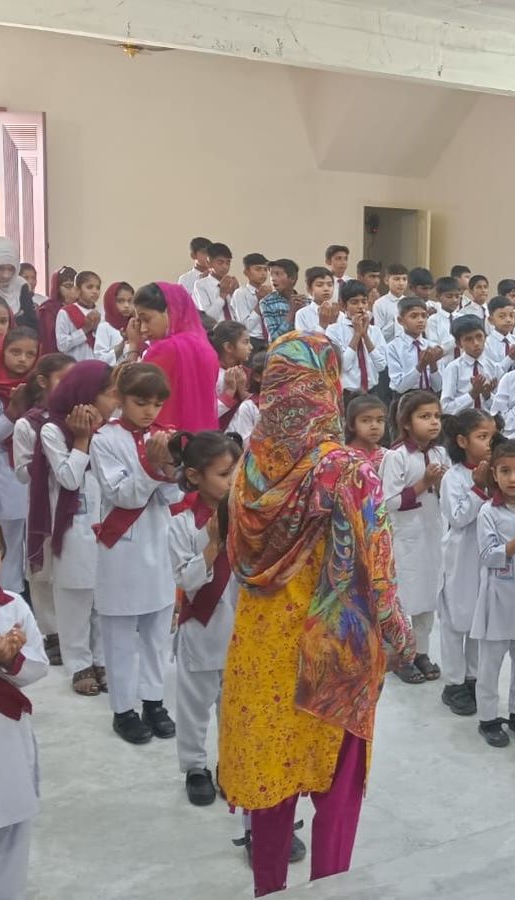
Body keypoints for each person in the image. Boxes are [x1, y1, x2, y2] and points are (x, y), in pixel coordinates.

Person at [220, 332, 412, 895]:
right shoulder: (347, 470)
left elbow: (238, 558)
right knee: (337, 786)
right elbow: (377, 569)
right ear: (329, 386)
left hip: (263, 648)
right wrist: (399, 636)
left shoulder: (249, 469)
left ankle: (269, 888)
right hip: (334, 650)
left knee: (272, 783)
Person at [89, 363, 183, 744]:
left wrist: (170, 466)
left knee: (157, 631)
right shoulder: (104, 439)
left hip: (158, 541)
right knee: (120, 634)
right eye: (141, 402)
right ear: (120, 397)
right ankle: (123, 709)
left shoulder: (163, 435)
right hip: (122, 549)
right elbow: (121, 495)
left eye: (156, 404)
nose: (149, 411)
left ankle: (153, 701)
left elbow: (173, 495)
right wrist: (153, 466)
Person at [32, 360, 117, 696]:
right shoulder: (52, 430)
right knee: (75, 597)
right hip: (72, 525)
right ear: (86, 396)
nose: (115, 402)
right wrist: (82, 439)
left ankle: (100, 659)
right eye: (110, 395)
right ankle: (78, 662)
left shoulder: (111, 430)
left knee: (102, 596)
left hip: (106, 523)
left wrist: (98, 433)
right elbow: (68, 478)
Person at [167, 430, 242, 806]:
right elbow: (185, 579)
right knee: (194, 706)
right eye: (224, 474)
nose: (232, 482)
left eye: (236, 473)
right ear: (195, 476)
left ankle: (230, 763)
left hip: (241, 629)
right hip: (201, 629)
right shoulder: (182, 523)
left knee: (234, 706)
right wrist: (213, 545)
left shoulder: (248, 517)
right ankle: (195, 766)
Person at [0, 517, 49, 900]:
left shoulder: (13, 606)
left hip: (7, 742)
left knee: (12, 835)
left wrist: (9, 660)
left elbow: (38, 665)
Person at [379, 391, 448, 685]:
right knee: (404, 599)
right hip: (406, 539)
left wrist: (442, 484)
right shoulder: (396, 457)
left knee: (428, 597)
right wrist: (424, 483)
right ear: (406, 423)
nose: (433, 422)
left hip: (433, 535)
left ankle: (421, 652)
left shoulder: (440, 453)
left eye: (437, 416)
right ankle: (401, 655)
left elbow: (445, 496)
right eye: (425, 417)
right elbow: (389, 501)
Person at [472, 439, 515, 747]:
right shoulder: (488, 512)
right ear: (494, 475)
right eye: (505, 471)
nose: (513, 478)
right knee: (490, 664)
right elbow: (489, 555)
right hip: (496, 601)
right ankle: (487, 718)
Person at [15, 351, 76, 668]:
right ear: (43, 381)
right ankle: (51, 633)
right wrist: (47, 461)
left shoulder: (77, 419)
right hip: (42, 505)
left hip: (73, 504)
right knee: (42, 572)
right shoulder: (28, 424)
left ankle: (74, 630)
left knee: (71, 565)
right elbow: (21, 472)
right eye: (63, 380)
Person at [438, 408, 497, 716]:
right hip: (461, 554)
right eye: (482, 437)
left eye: (492, 437)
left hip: (487, 555)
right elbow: (458, 517)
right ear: (463, 441)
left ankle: (473, 677)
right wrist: (477, 486)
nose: (489, 443)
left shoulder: (498, 472)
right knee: (455, 619)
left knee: (479, 619)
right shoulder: (453, 477)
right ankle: (453, 682)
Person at [126, 283, 221, 432]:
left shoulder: (163, 350)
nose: (142, 329)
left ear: (169, 312)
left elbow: (130, 390)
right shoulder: (208, 349)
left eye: (146, 319)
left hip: (164, 438)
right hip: (202, 439)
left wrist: (133, 346)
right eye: (139, 322)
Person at [0, 328, 39, 596]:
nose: (23, 359)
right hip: (2, 467)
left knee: (24, 532)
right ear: (3, 351)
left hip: (28, 468)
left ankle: (19, 590)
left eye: (30, 354)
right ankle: (7, 592)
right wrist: (12, 412)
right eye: (15, 352)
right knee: (7, 533)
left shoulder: (38, 386)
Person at [326, 281, 386, 400]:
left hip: (372, 392)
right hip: (348, 394)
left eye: (364, 301)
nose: (360, 306)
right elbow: (342, 367)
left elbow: (381, 366)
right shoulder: (333, 331)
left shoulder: (375, 331)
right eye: (354, 302)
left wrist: (365, 336)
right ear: (343, 305)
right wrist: (357, 335)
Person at [385, 297, 444, 396]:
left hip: (430, 395)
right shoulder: (393, 347)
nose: (420, 320)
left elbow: (438, 387)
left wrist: (433, 364)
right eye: (414, 316)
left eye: (424, 316)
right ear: (400, 320)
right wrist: (420, 366)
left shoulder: (432, 347)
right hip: (405, 397)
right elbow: (399, 387)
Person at [441, 315, 499, 415]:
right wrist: (472, 394)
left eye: (479, 336)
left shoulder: (494, 367)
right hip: (462, 421)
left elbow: (500, 408)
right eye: (468, 339)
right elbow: (445, 408)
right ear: (459, 344)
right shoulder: (453, 368)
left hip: (489, 421)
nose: (476, 343)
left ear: (485, 337)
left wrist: (487, 396)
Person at [212, 321, 252, 431]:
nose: (251, 347)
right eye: (245, 342)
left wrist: (242, 391)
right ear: (228, 347)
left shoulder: (246, 372)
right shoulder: (214, 375)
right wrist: (229, 392)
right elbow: (209, 414)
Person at [55, 270, 102, 362]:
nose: (95, 291)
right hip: (75, 363)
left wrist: (96, 329)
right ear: (77, 290)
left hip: (97, 363)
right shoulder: (65, 312)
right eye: (89, 287)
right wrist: (85, 329)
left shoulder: (101, 312)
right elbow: (62, 345)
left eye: (98, 288)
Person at [228, 252, 271, 352]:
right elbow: (244, 326)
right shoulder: (241, 293)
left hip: (270, 340)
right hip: (252, 341)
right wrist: (260, 303)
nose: (263, 273)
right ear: (246, 272)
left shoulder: (270, 293)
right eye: (258, 269)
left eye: (265, 269)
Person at [0, 238, 37, 330]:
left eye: (11, 269)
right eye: (1, 268)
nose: (6, 275)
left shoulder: (21, 285)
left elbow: (32, 322)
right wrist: (18, 319)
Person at [36, 266, 78, 356]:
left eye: (76, 287)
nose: (73, 291)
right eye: (68, 286)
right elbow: (48, 341)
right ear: (57, 288)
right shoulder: (48, 309)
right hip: (56, 357)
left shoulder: (82, 307)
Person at [227, 352, 266, 445]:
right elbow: (245, 442)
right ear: (257, 377)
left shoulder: (290, 401)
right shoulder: (249, 406)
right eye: (273, 372)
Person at [192, 243, 237, 323]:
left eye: (228, 263)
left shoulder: (231, 283)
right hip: (215, 329)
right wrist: (222, 295)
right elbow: (207, 318)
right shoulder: (201, 285)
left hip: (235, 328)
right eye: (220, 263)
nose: (225, 267)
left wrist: (235, 294)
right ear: (208, 263)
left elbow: (238, 314)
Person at [259, 259, 301, 343]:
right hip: (281, 349)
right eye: (271, 275)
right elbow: (274, 339)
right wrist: (291, 312)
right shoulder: (266, 302)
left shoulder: (307, 301)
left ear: (292, 278)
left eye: (277, 274)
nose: (273, 279)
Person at [95, 281, 134, 365]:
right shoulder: (105, 327)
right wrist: (123, 343)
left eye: (130, 301)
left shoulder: (137, 325)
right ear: (110, 302)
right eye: (121, 301)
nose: (126, 305)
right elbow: (100, 360)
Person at [343, 394, 386, 466]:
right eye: (365, 421)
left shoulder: (387, 455)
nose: (375, 426)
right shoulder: (344, 456)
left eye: (379, 420)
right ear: (351, 425)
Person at [293, 267, 339, 334]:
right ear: (309, 289)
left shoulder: (339, 314)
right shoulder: (302, 314)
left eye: (330, 285)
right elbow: (303, 339)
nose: (326, 289)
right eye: (319, 285)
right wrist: (322, 325)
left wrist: (333, 324)